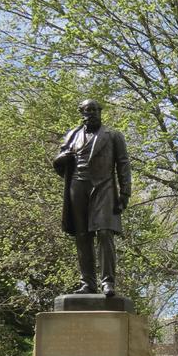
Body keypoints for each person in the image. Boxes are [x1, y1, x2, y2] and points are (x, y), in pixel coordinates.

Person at [53, 99, 131, 296]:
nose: (94, 113)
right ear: (82, 112)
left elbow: (123, 164)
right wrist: (63, 159)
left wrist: (125, 193)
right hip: (77, 187)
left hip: (103, 186)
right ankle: (88, 283)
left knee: (105, 233)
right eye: (89, 110)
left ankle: (108, 282)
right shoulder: (72, 135)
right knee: (82, 236)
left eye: (96, 110)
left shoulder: (113, 135)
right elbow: (59, 160)